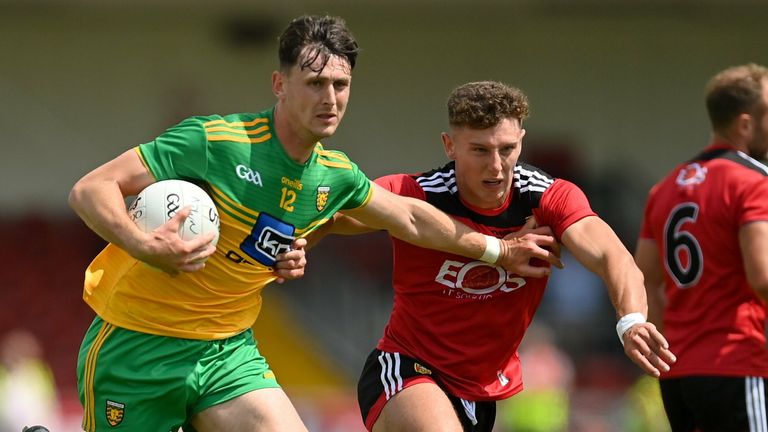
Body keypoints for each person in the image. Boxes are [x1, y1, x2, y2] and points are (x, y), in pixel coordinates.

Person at [67, 16, 563, 432]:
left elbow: (411, 217)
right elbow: (91, 189)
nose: (330, 98)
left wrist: (498, 251)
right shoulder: (214, 142)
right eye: (315, 83)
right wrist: (144, 245)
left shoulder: (335, 175)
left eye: (340, 84)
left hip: (226, 353)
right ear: (279, 84)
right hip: (136, 344)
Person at [319, 80, 676, 432]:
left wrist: (630, 321)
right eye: (479, 150)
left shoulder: (548, 198)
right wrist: (292, 244)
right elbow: (330, 218)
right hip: (408, 368)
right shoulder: (415, 194)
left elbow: (614, 257)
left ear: (521, 142)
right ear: (449, 146)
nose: (495, 166)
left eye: (506, 149)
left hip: (480, 394)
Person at [634, 63, 768, 431]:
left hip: (678, 374)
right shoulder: (753, 181)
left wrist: (670, 351)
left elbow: (645, 278)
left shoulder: (664, 189)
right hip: (735, 362)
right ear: (745, 124)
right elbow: (763, 277)